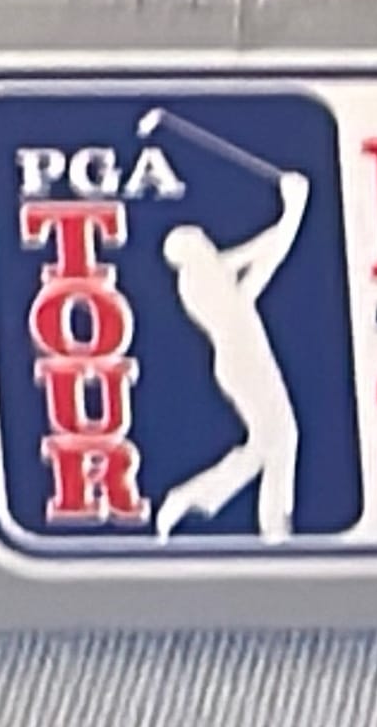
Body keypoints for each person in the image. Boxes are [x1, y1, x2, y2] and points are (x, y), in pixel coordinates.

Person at [153, 170, 310, 543]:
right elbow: (261, 251)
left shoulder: (224, 282)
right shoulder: (201, 282)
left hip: (247, 358)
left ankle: (214, 504)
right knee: (279, 437)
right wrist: (294, 207)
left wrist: (293, 211)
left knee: (273, 441)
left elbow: (268, 259)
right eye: (196, 240)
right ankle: (268, 522)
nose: (205, 240)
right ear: (187, 254)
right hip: (243, 362)